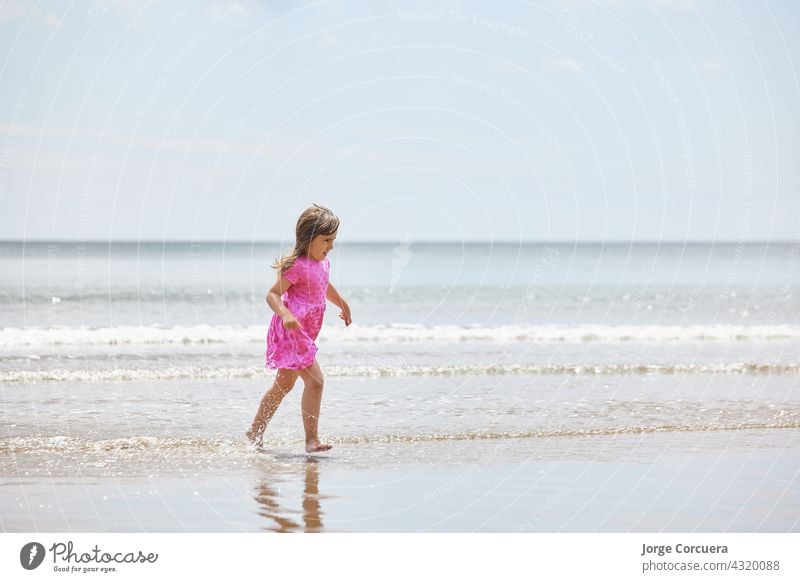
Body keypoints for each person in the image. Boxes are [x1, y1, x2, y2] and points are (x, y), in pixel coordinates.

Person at [246, 204, 351, 453]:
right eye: (326, 240)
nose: (331, 246)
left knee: (283, 386)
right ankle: (311, 439)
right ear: (308, 237)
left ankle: (255, 431)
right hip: (292, 333)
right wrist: (285, 314)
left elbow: (324, 286)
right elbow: (272, 294)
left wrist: (343, 303)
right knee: (316, 381)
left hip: (305, 332)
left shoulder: (323, 264)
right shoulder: (297, 265)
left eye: (333, 240)